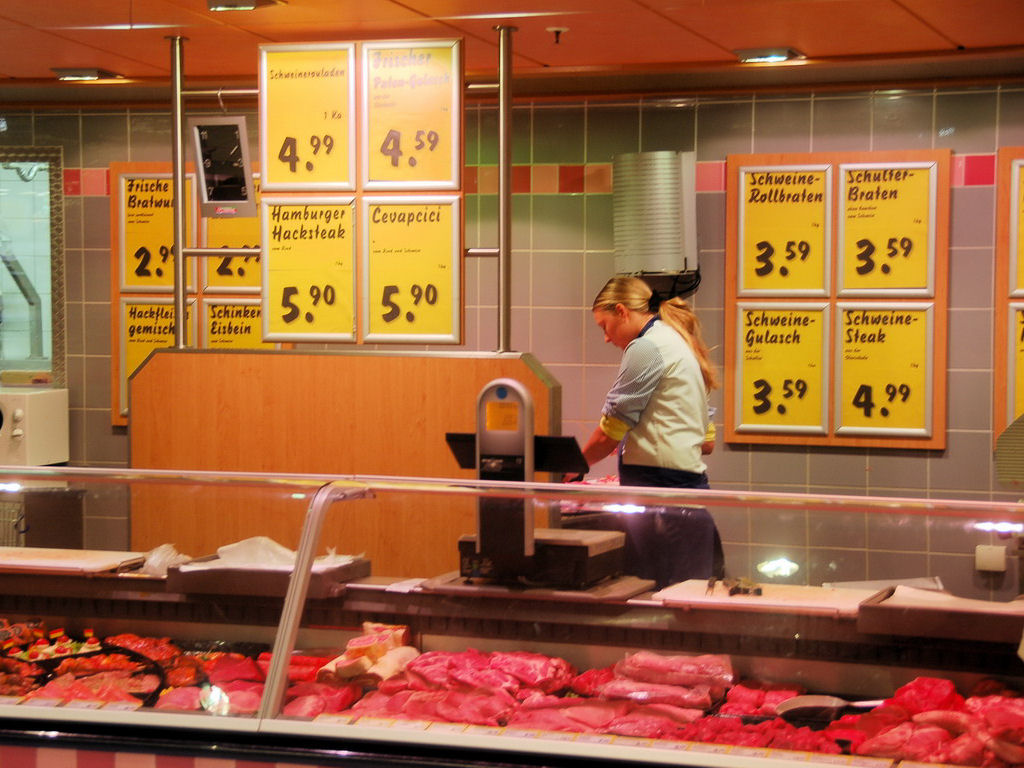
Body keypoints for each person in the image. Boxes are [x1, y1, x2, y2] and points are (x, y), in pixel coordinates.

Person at [571, 275, 724, 587]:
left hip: (661, 496)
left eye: (604, 326)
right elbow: (706, 443)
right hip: (686, 492)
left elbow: (609, 432)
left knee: (660, 596)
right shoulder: (677, 341)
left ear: (622, 311)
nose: (606, 338)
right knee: (684, 597)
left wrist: (572, 468)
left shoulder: (646, 347)